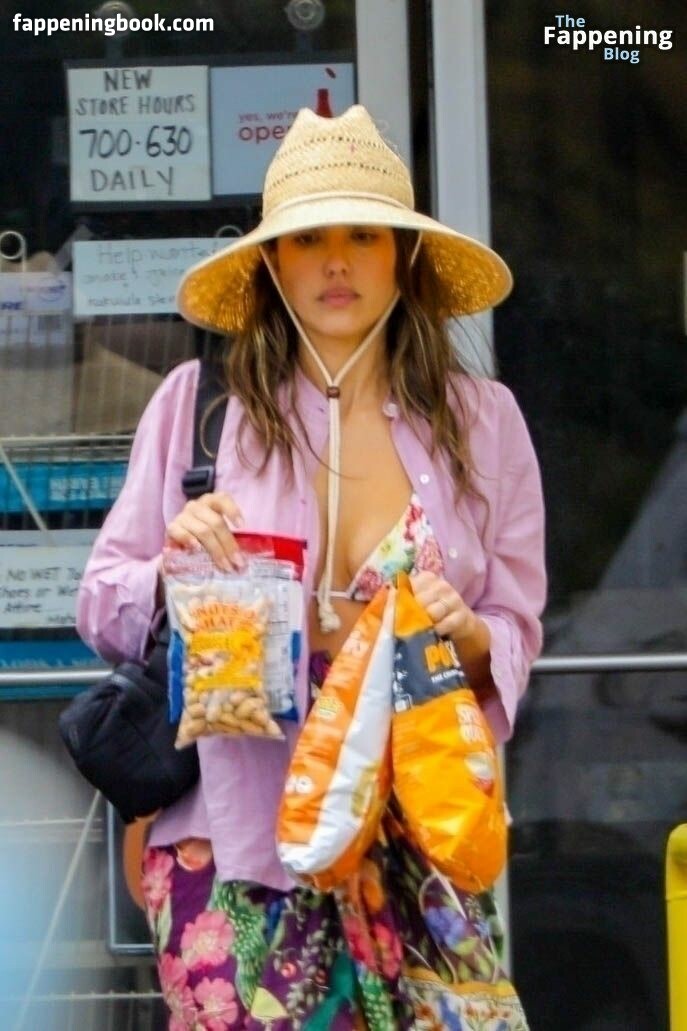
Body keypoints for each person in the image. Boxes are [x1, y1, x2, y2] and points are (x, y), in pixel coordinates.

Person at [77, 105, 546, 1030]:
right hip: (233, 833)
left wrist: (467, 634)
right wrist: (173, 568)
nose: (336, 262)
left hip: (414, 831)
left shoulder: (481, 420)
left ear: (404, 258)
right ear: (271, 263)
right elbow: (101, 603)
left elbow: (517, 624)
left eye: (363, 235)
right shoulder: (199, 407)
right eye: (308, 239)